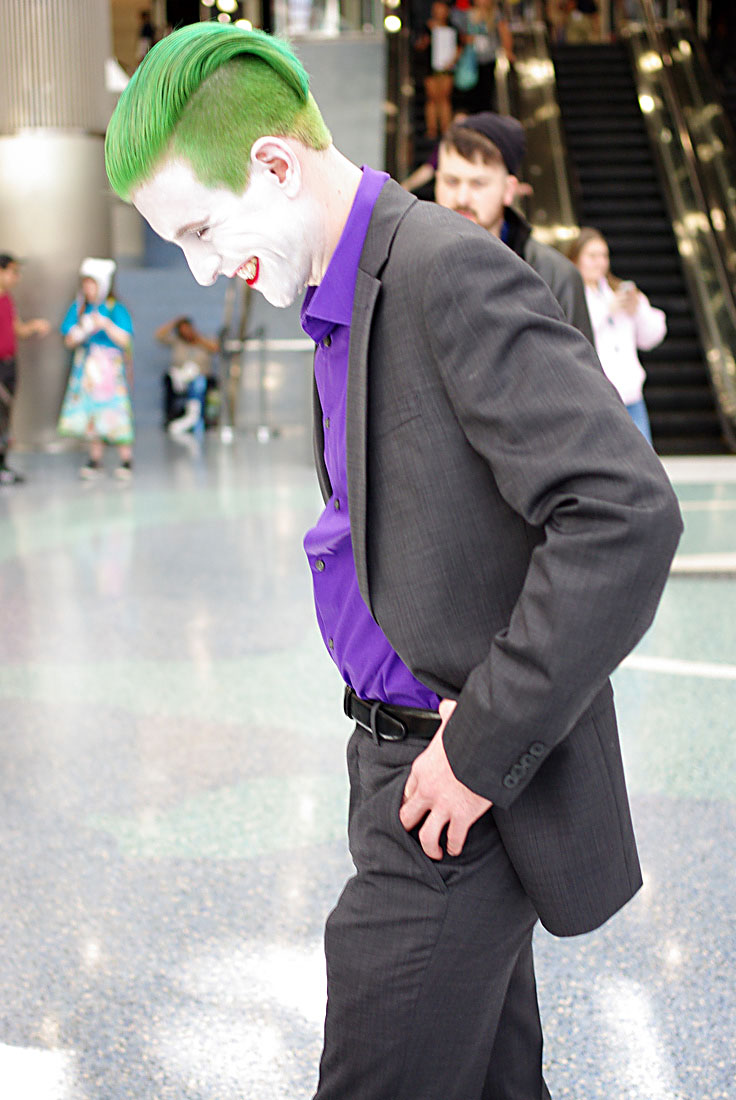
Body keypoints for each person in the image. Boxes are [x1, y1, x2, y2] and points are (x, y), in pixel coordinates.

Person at [106, 24, 683, 1099]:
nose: (202, 268)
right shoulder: (337, 296)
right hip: (398, 762)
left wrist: (479, 745)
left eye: (201, 228)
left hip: (452, 786)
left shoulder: (443, 270)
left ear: (275, 165)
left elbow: (624, 510)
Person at [435, 112, 595, 340]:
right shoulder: (407, 260)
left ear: (508, 190)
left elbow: (576, 361)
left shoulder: (554, 276)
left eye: (478, 184)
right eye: (451, 181)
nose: (462, 198)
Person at [569, 226, 666, 443]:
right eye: (592, 256)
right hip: (595, 398)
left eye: (604, 256)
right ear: (575, 259)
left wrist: (637, 310)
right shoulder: (569, 294)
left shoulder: (619, 290)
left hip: (631, 398)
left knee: (642, 458)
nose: (600, 262)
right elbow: (574, 333)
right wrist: (607, 310)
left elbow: (652, 337)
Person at [58, 258, 135, 479]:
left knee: (116, 410)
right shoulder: (79, 308)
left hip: (110, 369)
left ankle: (126, 459)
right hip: (87, 370)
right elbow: (68, 339)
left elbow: (125, 339)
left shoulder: (114, 309)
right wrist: (82, 329)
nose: (88, 289)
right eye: (85, 284)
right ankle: (95, 459)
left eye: (92, 284)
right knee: (92, 412)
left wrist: (105, 324)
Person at [0, 253, 50, 484]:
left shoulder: (7, 300)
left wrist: (34, 327)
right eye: (13, 272)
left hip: (9, 365)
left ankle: (3, 464)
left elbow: (16, 329)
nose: (16, 278)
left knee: (5, 415)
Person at [155, 315, 218, 434]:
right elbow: (159, 336)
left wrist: (197, 339)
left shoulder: (203, 339)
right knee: (169, 380)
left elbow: (215, 348)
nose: (186, 333)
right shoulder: (177, 341)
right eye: (182, 330)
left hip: (202, 377)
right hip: (180, 379)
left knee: (201, 385)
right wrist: (174, 322)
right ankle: (173, 416)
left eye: (187, 329)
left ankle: (200, 418)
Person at [452, 0, 515, 114]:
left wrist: (508, 51)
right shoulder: (467, 15)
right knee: (471, 95)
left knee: (486, 93)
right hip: (471, 60)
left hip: (488, 59)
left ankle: (485, 116)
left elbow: (504, 31)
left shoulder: (495, 15)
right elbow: (459, 32)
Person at [413, 1, 459, 140]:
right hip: (429, 68)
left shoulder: (452, 28)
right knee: (432, 99)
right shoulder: (426, 28)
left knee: (444, 99)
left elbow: (459, 45)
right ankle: (431, 129)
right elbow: (419, 46)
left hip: (446, 68)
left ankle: (446, 128)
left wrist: (452, 61)